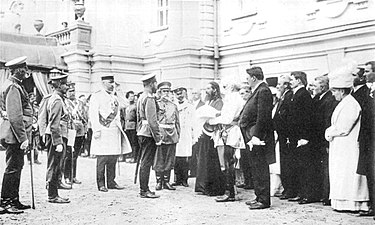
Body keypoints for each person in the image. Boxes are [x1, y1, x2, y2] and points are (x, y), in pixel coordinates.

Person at [326, 63, 370, 212]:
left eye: (334, 91)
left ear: (341, 90)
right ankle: (341, 201)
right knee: (340, 172)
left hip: (348, 146)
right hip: (340, 146)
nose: (333, 94)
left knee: (347, 173)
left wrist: (329, 132)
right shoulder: (344, 103)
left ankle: (352, 202)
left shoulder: (351, 104)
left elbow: (344, 128)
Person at [0, 56, 33, 213]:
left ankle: (13, 199)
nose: (26, 72)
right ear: (18, 71)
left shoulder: (15, 85)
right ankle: (6, 201)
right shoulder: (13, 87)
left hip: (16, 134)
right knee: (13, 167)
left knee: (16, 166)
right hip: (15, 135)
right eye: (24, 69)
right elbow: (15, 116)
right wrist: (23, 138)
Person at [239, 66, 275, 210]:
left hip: (258, 138)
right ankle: (259, 196)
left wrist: (256, 136)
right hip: (252, 136)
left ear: (254, 78)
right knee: (256, 167)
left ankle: (264, 200)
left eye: (248, 78)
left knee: (260, 167)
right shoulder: (259, 90)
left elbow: (263, 116)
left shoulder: (263, 91)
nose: (246, 80)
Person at [89, 75, 131, 192]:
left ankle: (111, 182)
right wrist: (96, 130)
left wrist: (119, 90)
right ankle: (101, 183)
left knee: (113, 157)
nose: (112, 85)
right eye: (110, 82)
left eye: (113, 83)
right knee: (102, 158)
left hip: (114, 131)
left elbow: (125, 104)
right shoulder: (96, 96)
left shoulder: (115, 96)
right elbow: (93, 114)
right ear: (103, 83)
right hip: (103, 130)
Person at [210, 81, 245, 202]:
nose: (223, 89)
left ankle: (229, 192)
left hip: (231, 131)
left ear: (231, 86)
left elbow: (228, 118)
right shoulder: (232, 98)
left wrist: (213, 120)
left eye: (225, 86)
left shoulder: (234, 99)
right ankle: (230, 190)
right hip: (228, 131)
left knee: (228, 162)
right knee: (227, 162)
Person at [43, 69, 71, 203]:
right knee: (54, 165)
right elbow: (54, 123)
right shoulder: (57, 100)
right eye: (65, 84)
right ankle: (52, 195)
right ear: (59, 85)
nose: (68, 87)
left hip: (58, 135)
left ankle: (54, 192)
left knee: (56, 164)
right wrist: (58, 142)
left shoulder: (58, 98)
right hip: (56, 136)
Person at [311, 75, 338, 206]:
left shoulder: (329, 100)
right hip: (318, 140)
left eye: (315, 86)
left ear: (322, 87)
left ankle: (327, 196)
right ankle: (323, 194)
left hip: (323, 140)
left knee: (326, 168)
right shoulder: (319, 98)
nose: (312, 88)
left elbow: (327, 122)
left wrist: (325, 142)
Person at [195, 81, 225, 196]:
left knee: (212, 160)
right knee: (204, 159)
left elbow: (218, 116)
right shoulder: (208, 101)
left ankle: (213, 188)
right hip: (205, 132)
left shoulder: (219, 102)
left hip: (213, 133)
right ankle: (203, 186)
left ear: (215, 90)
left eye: (209, 88)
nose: (206, 91)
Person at [352, 64, 375, 216]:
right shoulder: (367, 92)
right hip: (368, 139)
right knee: (370, 173)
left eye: (367, 71)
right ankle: (372, 206)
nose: (364, 75)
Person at [136, 73, 162, 198]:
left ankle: (144, 189)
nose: (156, 85)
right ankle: (144, 190)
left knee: (144, 161)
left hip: (142, 131)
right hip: (148, 133)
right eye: (156, 83)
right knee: (146, 162)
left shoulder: (141, 97)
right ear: (152, 84)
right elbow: (152, 120)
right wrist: (158, 138)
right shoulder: (150, 98)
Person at [153, 82, 180, 191]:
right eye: (164, 91)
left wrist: (178, 135)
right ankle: (159, 181)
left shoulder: (174, 106)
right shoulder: (156, 104)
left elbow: (177, 122)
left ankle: (166, 181)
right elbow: (153, 121)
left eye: (168, 91)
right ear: (159, 92)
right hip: (160, 134)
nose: (166, 93)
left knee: (169, 159)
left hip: (171, 134)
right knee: (159, 159)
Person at [273, 75, 293, 200]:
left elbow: (286, 115)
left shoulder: (289, 96)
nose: (277, 86)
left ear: (286, 85)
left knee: (287, 163)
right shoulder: (283, 96)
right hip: (281, 134)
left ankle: (289, 189)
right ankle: (287, 188)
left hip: (285, 134)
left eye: (280, 84)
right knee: (283, 163)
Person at [64, 82, 86, 185]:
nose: (72, 93)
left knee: (76, 155)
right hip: (70, 130)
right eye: (70, 91)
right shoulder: (64, 102)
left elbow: (85, 116)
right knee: (68, 154)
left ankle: (73, 176)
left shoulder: (79, 103)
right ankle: (66, 176)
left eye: (73, 91)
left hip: (80, 130)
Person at [173, 87, 194, 187]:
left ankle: (185, 179)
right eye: (177, 94)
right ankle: (177, 178)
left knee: (185, 157)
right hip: (176, 132)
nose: (180, 96)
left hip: (186, 133)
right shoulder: (173, 105)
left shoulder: (190, 106)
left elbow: (193, 120)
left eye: (181, 94)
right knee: (176, 157)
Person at [237, 85, 253, 190]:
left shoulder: (250, 104)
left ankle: (251, 182)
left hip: (248, 133)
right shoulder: (243, 104)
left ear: (249, 93)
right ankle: (247, 180)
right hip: (242, 134)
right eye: (240, 94)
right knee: (244, 159)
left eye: (244, 93)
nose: (242, 96)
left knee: (249, 158)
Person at [189, 88, 205, 178]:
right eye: (193, 93)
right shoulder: (190, 104)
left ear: (200, 94)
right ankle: (192, 170)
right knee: (192, 150)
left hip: (199, 129)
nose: (194, 95)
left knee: (197, 151)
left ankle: (196, 170)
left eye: (196, 93)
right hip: (192, 129)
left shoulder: (202, 105)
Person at [124, 91, 139, 163]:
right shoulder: (126, 106)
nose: (131, 98)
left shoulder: (135, 106)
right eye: (130, 96)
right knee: (128, 142)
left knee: (134, 142)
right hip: (127, 126)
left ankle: (134, 157)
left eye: (133, 96)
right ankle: (129, 156)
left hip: (133, 125)